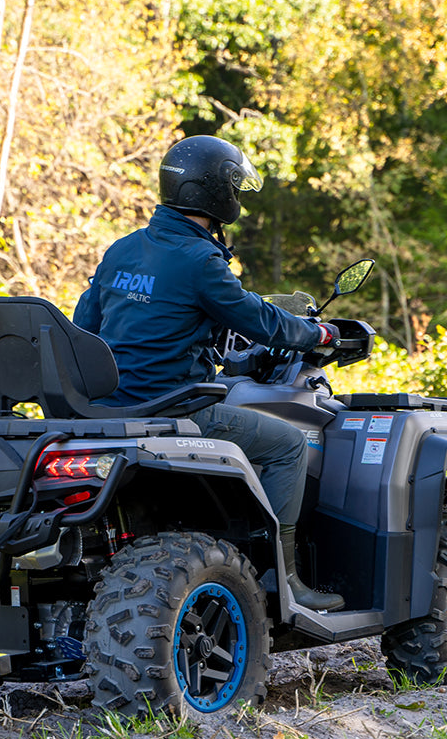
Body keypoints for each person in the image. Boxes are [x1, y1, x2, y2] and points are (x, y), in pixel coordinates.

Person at [74, 135, 344, 612]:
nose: (237, 197)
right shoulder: (202, 260)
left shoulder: (123, 249)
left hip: (108, 408)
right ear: (215, 192)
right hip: (174, 406)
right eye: (235, 187)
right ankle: (284, 580)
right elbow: (262, 321)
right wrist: (318, 335)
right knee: (289, 445)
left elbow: (84, 327)